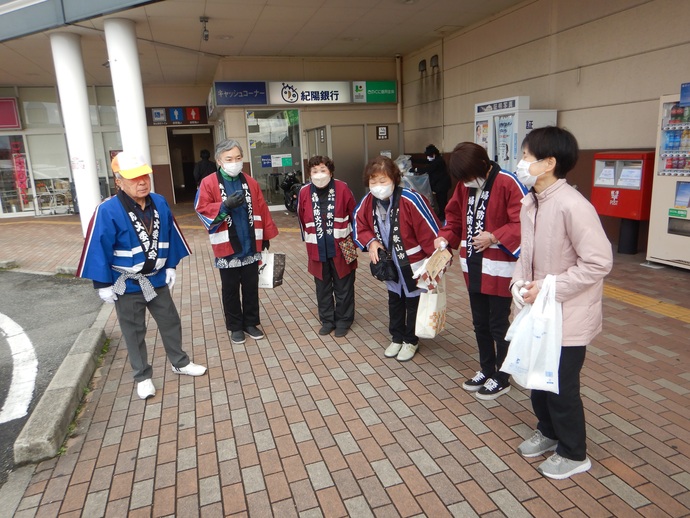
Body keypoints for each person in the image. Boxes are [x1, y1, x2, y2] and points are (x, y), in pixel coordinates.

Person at [511, 126, 612, 480]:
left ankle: (574, 452)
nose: (520, 163)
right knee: (538, 380)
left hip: (566, 316)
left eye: (526, 157)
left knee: (561, 386)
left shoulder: (573, 205)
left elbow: (599, 263)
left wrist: (550, 287)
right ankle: (549, 431)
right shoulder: (531, 202)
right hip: (537, 310)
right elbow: (528, 256)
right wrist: (518, 285)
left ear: (549, 163)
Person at [77, 151, 207, 400]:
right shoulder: (108, 210)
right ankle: (142, 376)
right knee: (134, 331)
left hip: (156, 278)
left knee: (170, 321)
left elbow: (171, 233)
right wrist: (102, 284)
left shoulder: (159, 201)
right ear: (119, 181)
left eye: (144, 176)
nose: (142, 182)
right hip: (126, 283)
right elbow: (97, 245)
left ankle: (179, 362)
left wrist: (171, 266)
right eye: (133, 178)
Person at [434, 142, 527, 400]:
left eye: (467, 176)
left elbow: (523, 221)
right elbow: (452, 219)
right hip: (473, 265)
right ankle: (486, 369)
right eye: (461, 178)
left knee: (499, 324)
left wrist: (495, 236)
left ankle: (502, 375)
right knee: (479, 323)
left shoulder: (508, 182)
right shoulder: (465, 186)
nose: (464, 182)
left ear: (483, 165)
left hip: (499, 268)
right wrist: (444, 239)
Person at [353, 155, 440, 362]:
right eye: (373, 182)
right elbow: (358, 225)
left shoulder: (411, 199)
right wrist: (371, 241)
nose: (378, 186)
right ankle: (397, 337)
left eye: (383, 181)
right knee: (395, 300)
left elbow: (431, 232)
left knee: (412, 300)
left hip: (414, 263)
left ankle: (411, 340)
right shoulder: (368, 201)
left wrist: (435, 264)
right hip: (390, 264)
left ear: (394, 178)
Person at [194, 139, 278, 345]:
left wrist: (265, 236)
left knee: (251, 286)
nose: (234, 162)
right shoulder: (209, 183)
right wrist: (224, 206)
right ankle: (234, 326)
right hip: (227, 247)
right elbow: (202, 210)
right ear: (219, 161)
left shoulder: (251, 181)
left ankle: (251, 323)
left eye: (238, 158)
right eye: (229, 159)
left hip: (250, 244)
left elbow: (262, 209)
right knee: (230, 289)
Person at [297, 155, 357, 337]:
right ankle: (327, 320)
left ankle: (344, 320)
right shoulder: (304, 191)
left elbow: (354, 214)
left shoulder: (343, 187)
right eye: (314, 171)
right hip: (317, 247)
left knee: (344, 286)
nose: (319, 174)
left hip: (343, 245)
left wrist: (356, 242)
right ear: (309, 174)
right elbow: (301, 217)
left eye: (323, 170)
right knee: (322, 287)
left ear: (330, 172)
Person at [416, 144, 452, 221]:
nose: (428, 157)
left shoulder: (438, 161)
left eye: (429, 155)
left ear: (434, 154)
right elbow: (425, 161)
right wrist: (412, 159)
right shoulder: (435, 159)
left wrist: (416, 170)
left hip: (442, 185)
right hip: (440, 184)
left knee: (442, 201)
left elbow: (429, 169)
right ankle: (442, 214)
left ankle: (443, 216)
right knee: (440, 201)